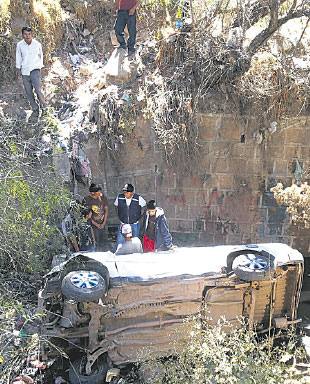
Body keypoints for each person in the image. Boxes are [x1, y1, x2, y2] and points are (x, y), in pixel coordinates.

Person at [16, 26, 46, 117]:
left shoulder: (37, 44)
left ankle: (44, 108)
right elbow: (18, 57)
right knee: (29, 91)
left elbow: (41, 57)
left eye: (29, 34)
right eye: (25, 34)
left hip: (35, 69)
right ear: (22, 35)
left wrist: (40, 68)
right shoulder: (20, 45)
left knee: (38, 90)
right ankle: (35, 109)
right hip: (25, 70)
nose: (27, 36)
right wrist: (19, 70)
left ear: (31, 34)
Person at [114, 183, 146, 248]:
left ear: (131, 193)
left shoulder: (138, 198)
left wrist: (140, 217)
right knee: (120, 242)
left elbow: (145, 206)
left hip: (134, 224)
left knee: (134, 242)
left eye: (126, 192)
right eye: (124, 192)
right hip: (123, 224)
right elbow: (116, 205)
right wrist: (119, 215)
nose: (125, 194)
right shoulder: (119, 197)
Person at [83, 183, 108, 251]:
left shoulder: (103, 198)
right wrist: (96, 224)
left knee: (104, 241)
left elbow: (106, 211)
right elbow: (87, 215)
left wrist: (103, 223)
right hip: (93, 226)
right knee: (96, 241)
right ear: (93, 193)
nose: (100, 193)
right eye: (98, 192)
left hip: (103, 224)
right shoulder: (87, 200)